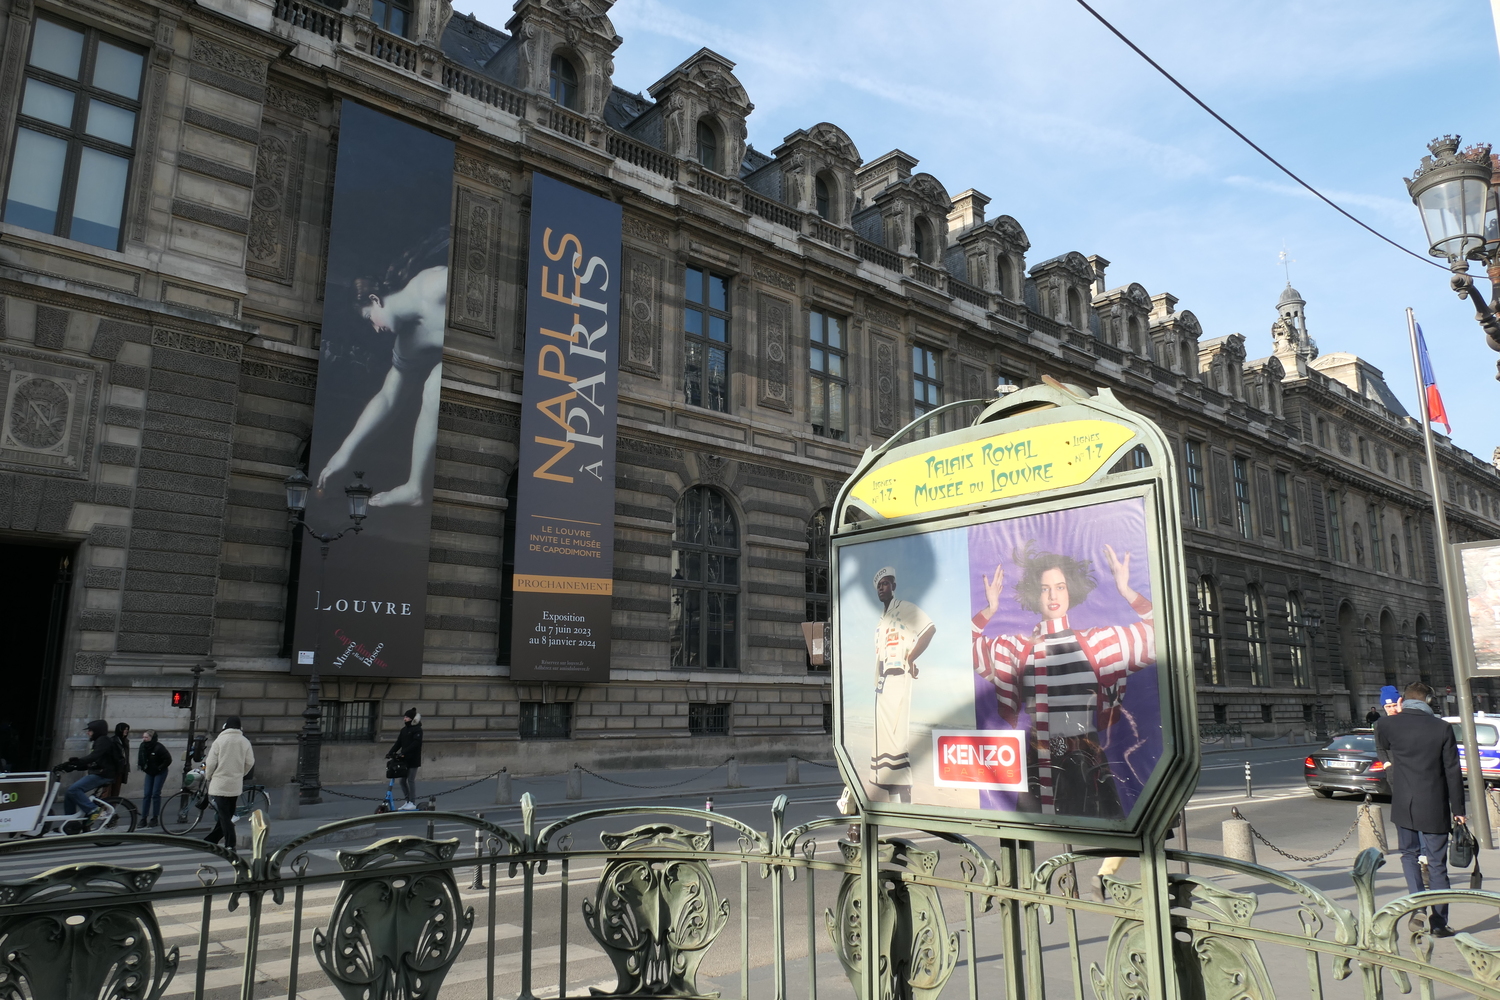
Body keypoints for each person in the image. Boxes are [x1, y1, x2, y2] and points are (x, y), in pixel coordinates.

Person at [972, 541, 1155, 818]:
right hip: (1037, 760)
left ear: (1071, 590)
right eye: (1044, 588)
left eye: (1060, 586)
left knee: (1098, 832)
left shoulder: (1097, 643)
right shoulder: (1017, 648)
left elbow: (1161, 633)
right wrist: (990, 609)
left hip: (1086, 761)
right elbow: (963, 647)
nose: (1052, 595)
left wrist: (1126, 591)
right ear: (1035, 594)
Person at [316, 234, 448, 508]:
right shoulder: (407, 343)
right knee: (437, 384)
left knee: (437, 383)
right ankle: (415, 489)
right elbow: (388, 396)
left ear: (375, 299)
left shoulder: (433, 285)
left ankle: (414, 488)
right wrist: (344, 454)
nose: (375, 329)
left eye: (369, 318)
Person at [1375, 681, 1466, 938]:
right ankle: (1439, 922)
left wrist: (1392, 775)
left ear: (1403, 701)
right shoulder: (1442, 728)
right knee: (1437, 865)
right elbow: (1452, 772)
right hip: (1434, 805)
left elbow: (1383, 750)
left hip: (1403, 803)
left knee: (1408, 855)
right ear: (1427, 701)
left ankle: (1416, 906)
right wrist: (1458, 808)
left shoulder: (1386, 724)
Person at [870, 567, 934, 803]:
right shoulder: (881, 620)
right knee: (883, 742)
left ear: (893, 586)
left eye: (885, 584)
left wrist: (911, 658)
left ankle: (905, 795)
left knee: (897, 739)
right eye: (878, 585)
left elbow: (929, 629)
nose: (881, 588)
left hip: (898, 677)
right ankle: (891, 795)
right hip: (882, 682)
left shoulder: (904, 608)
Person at [201, 717, 255, 852]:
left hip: (220, 783)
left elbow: (211, 762)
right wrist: (240, 773)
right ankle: (211, 840)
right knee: (227, 814)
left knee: (224, 816)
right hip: (235, 784)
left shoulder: (220, 741)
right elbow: (250, 762)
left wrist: (208, 776)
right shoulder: (244, 742)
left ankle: (231, 844)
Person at [59, 719, 120, 817]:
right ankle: (70, 824)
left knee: (73, 790)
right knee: (69, 794)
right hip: (98, 772)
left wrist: (77, 762)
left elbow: (93, 757)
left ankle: (94, 810)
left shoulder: (103, 740)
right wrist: (74, 766)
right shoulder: (99, 741)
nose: (88, 733)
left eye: (90, 730)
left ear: (97, 731)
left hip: (103, 774)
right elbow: (93, 761)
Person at [387, 708, 424, 810]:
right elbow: (398, 743)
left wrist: (404, 752)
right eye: (405, 717)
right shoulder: (404, 730)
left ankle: (412, 802)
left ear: (412, 719)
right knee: (402, 781)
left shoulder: (417, 730)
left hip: (413, 759)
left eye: (407, 717)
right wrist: (391, 752)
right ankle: (407, 801)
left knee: (410, 780)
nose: (405, 719)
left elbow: (416, 743)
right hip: (404, 760)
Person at [137, 730, 173, 828]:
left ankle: (155, 818)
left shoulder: (159, 747)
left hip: (160, 772)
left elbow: (168, 759)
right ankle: (143, 818)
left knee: (155, 794)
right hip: (150, 772)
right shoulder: (143, 747)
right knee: (147, 794)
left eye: (146, 737)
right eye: (143, 737)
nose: (144, 739)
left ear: (152, 738)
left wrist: (159, 768)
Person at [107, 722, 131, 798]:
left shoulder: (125, 741)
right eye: (124, 729)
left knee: (116, 792)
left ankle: (112, 807)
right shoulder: (113, 740)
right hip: (113, 770)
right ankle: (104, 808)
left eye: (127, 729)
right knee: (108, 792)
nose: (126, 731)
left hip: (121, 769)